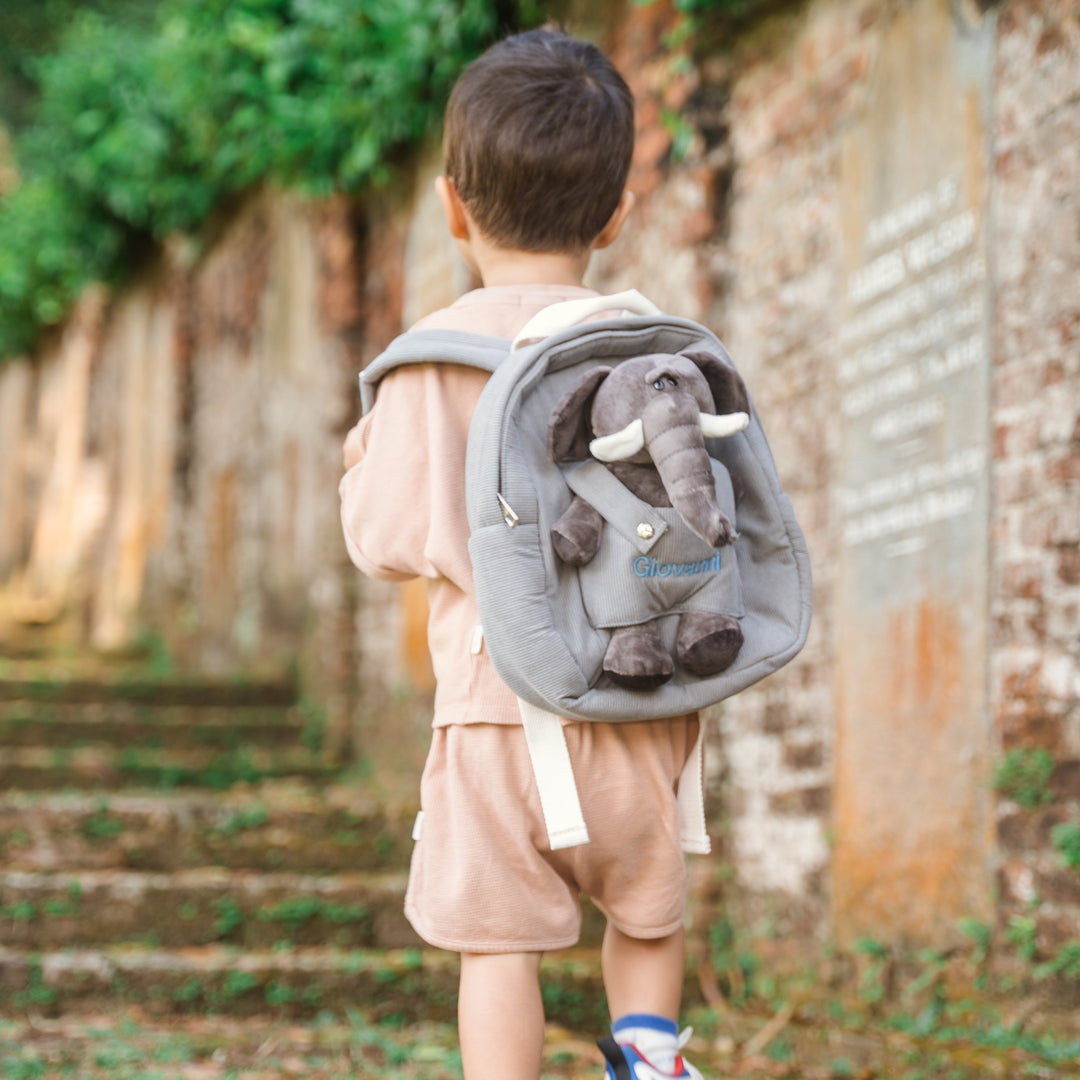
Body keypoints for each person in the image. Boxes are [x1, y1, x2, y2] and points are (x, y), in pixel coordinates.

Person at [340, 28, 704, 1080]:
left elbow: (382, 542)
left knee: (498, 943)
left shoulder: (426, 370)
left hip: (496, 715)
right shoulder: (657, 352)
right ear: (616, 214)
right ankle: (645, 1053)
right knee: (644, 915)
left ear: (452, 208)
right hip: (649, 707)